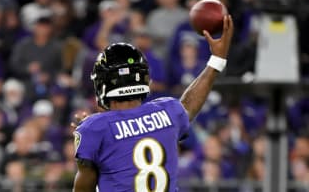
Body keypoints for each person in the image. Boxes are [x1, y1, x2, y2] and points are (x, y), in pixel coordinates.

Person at [72, 15, 234, 191]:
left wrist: (94, 140)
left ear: (103, 83)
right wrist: (216, 61)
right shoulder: (168, 111)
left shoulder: (94, 128)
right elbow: (188, 105)